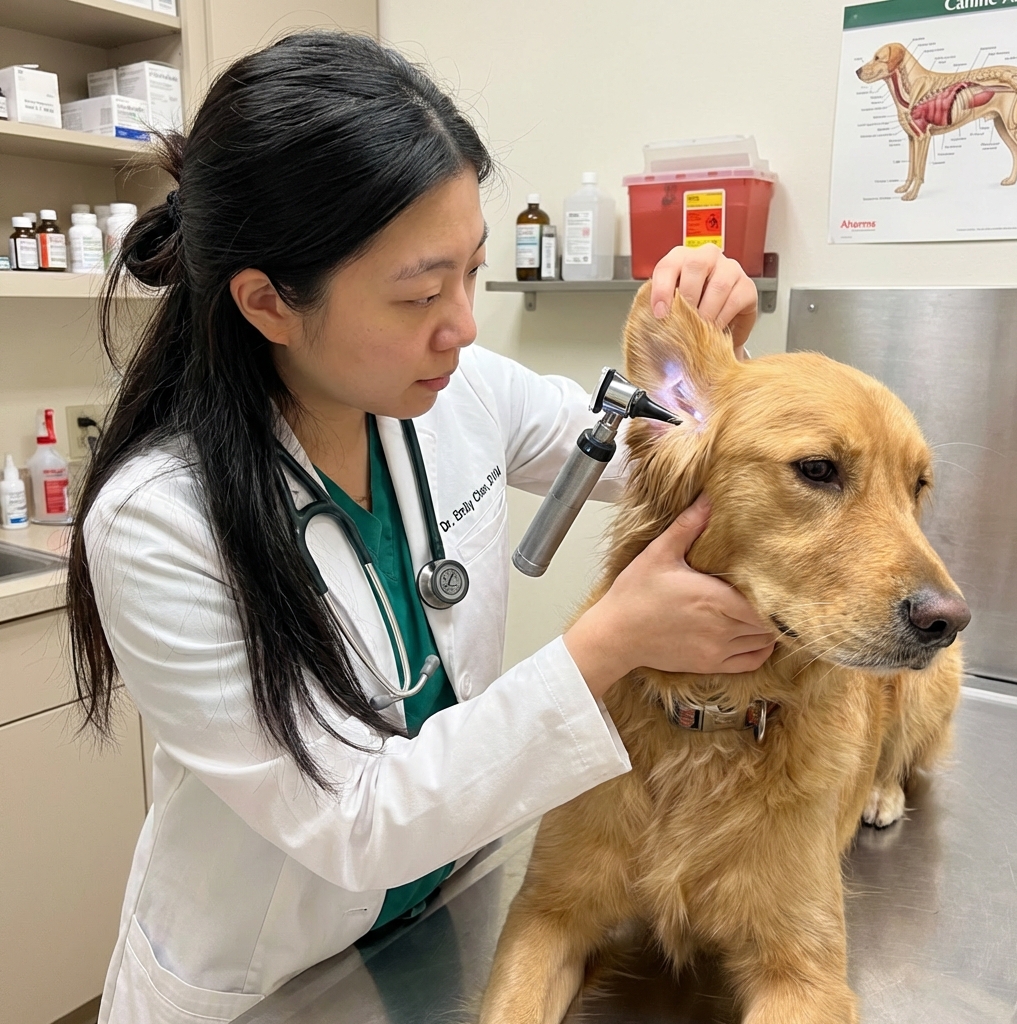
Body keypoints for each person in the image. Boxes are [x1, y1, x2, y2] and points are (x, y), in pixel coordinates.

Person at [67, 31, 776, 1024]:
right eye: (416, 294)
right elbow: (351, 821)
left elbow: (649, 452)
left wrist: (695, 353)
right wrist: (609, 642)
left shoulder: (456, 388)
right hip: (269, 981)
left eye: (471, 272)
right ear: (267, 301)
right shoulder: (158, 524)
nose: (463, 325)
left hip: (443, 917)